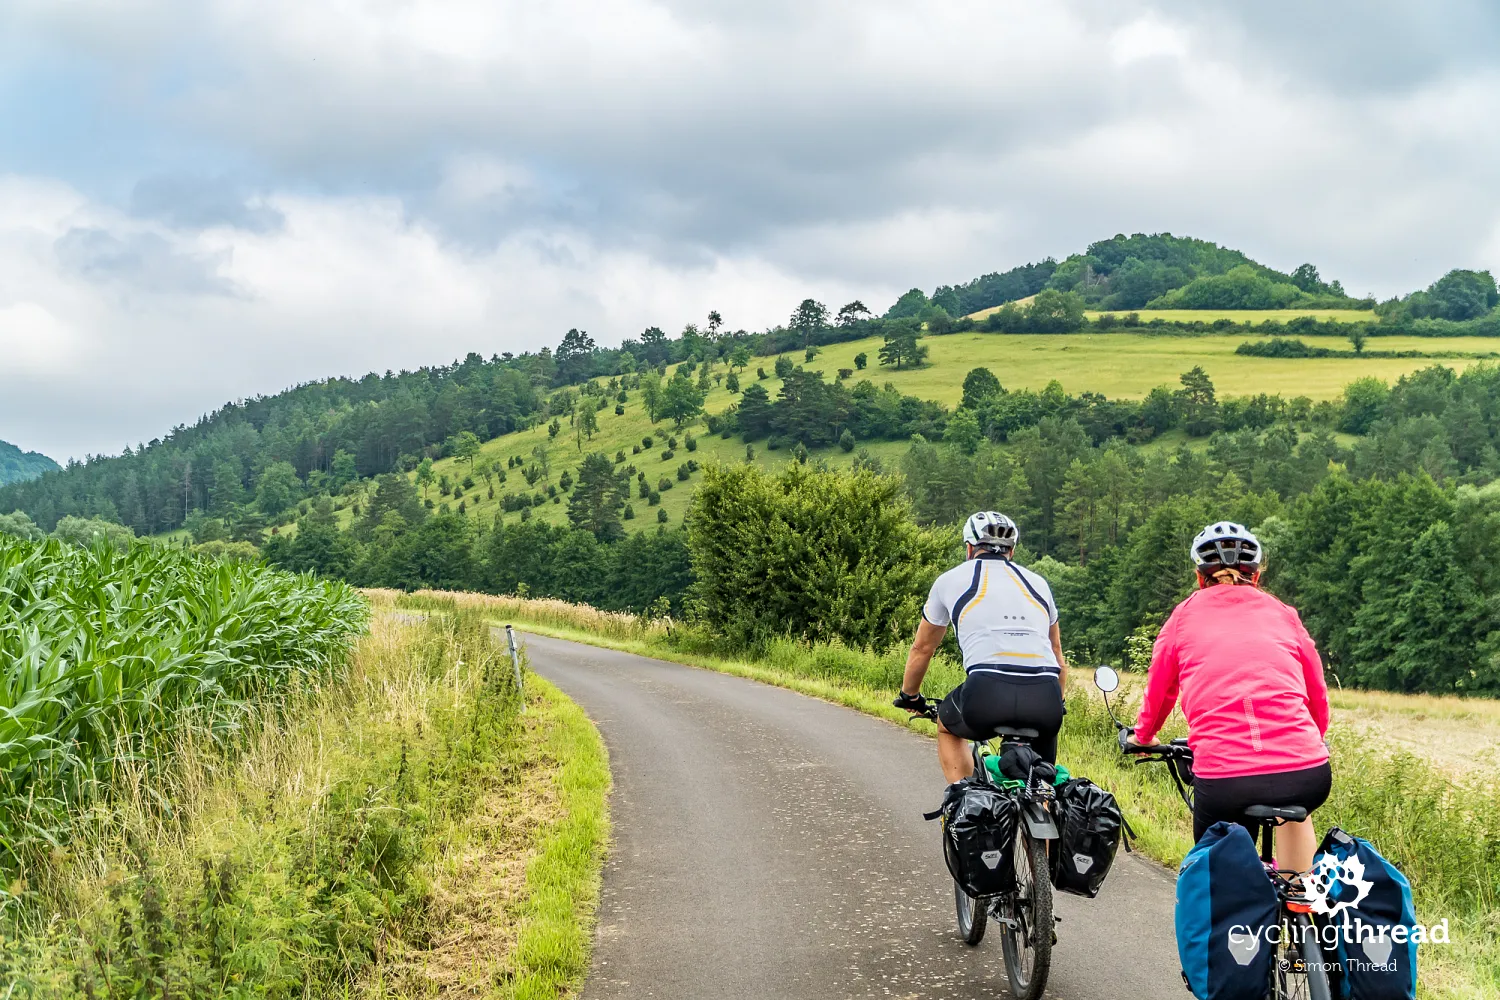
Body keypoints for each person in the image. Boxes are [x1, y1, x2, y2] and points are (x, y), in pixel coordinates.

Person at [1126, 520, 1331, 873]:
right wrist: (1311, 739)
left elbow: (1161, 691)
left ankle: (1233, 916)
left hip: (1226, 781)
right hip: (1308, 772)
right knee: (1297, 814)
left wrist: (1142, 737)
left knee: (1220, 883)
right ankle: (1301, 904)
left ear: (1199, 576)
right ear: (1255, 576)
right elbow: (1316, 689)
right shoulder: (1283, 613)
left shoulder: (1183, 617)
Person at [895, 511, 1068, 784]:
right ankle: (1044, 811)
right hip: (1045, 699)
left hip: (986, 693)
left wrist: (910, 695)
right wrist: (1058, 702)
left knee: (946, 726)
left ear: (969, 548)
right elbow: (1057, 654)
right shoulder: (1039, 584)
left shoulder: (949, 580)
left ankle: (964, 799)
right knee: (1042, 786)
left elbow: (922, 648)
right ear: (1011, 552)